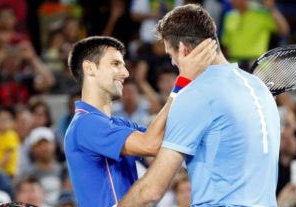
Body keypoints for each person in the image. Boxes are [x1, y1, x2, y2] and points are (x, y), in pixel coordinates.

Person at [119, 4, 280, 206]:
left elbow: (152, 190)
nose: (174, 64)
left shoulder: (195, 95)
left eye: (171, 56)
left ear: (184, 50)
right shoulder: (259, 86)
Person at [64, 36, 216, 207]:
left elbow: (165, 140)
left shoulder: (120, 124)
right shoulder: (85, 124)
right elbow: (150, 144)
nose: (126, 73)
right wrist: (183, 81)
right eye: (115, 64)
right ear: (89, 68)